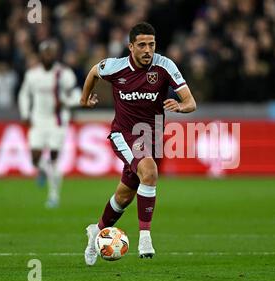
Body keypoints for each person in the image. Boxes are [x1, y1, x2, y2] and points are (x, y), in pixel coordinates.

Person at [81, 22, 196, 265]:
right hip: (123, 134)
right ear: (130, 46)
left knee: (124, 196)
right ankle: (145, 237)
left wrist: (180, 107)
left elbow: (190, 102)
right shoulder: (115, 67)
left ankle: (96, 231)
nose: (147, 50)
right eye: (142, 45)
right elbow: (93, 71)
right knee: (150, 171)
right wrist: (85, 99)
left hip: (151, 137)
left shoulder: (165, 66)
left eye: (151, 44)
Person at [18, 40, 81, 208]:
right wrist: (25, 114)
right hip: (38, 120)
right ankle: (44, 172)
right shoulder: (32, 75)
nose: (48, 55)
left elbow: (76, 94)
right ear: (41, 55)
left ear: (55, 54)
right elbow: (24, 95)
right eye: (46, 52)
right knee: (35, 158)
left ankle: (53, 195)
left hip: (57, 121)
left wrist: (66, 102)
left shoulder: (65, 74)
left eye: (51, 52)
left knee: (54, 158)